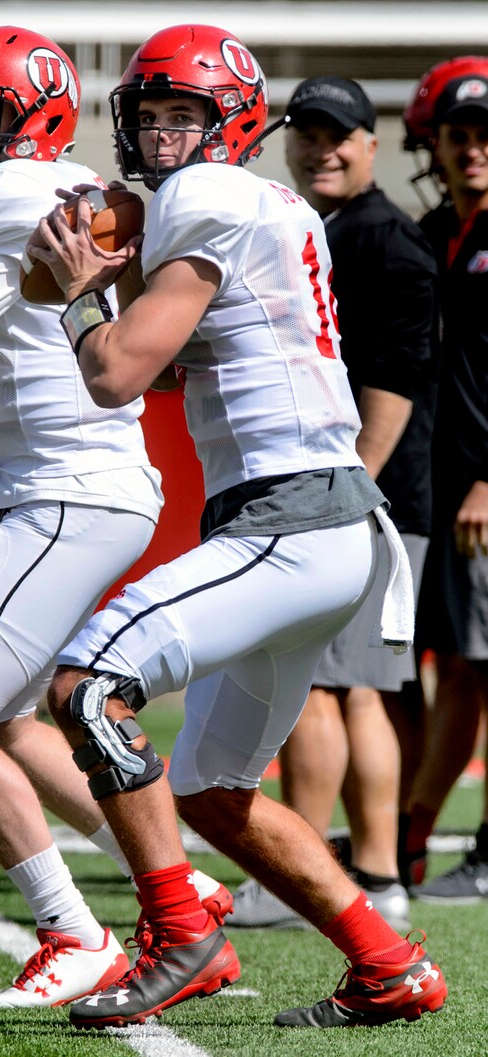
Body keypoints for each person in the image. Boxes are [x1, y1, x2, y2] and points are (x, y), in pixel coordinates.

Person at [34, 23, 447, 1030]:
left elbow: (116, 374)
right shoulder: (250, 201)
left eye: (188, 115)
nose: (166, 137)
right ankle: (387, 962)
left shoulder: (207, 197)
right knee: (213, 789)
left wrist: (82, 296)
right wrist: (113, 284)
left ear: (231, 125)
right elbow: (171, 360)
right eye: (154, 116)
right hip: (315, 522)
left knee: (87, 686)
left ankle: (179, 934)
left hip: (290, 516)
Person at [0, 25, 229, 1010]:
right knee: (14, 723)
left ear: (35, 118)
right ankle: (183, 890)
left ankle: (75, 932)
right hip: (74, 487)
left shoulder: (19, 195)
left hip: (68, 492)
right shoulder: (35, 192)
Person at [228, 77, 438, 932]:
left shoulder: (387, 241)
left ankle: (317, 871)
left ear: (372, 144)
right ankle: (370, 868)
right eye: (307, 134)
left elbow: (394, 381)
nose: (322, 149)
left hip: (361, 494)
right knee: (351, 688)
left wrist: (344, 494)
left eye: (338, 135)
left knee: (327, 684)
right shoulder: (327, 227)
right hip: (358, 493)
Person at [400, 69, 488, 902]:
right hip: (442, 484)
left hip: (479, 492)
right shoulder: (436, 231)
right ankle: (410, 830)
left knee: (476, 669)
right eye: (460, 135)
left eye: (486, 134)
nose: (474, 148)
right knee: (453, 668)